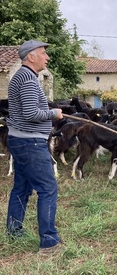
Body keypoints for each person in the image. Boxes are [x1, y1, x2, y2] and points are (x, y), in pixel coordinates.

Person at [6, 40, 63, 254]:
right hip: (31, 143)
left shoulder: (21, 76)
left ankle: (14, 231)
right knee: (48, 189)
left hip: (19, 140)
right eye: (43, 53)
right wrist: (53, 114)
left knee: (21, 188)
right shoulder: (28, 80)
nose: (47, 57)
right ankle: (49, 243)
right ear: (31, 56)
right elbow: (31, 114)